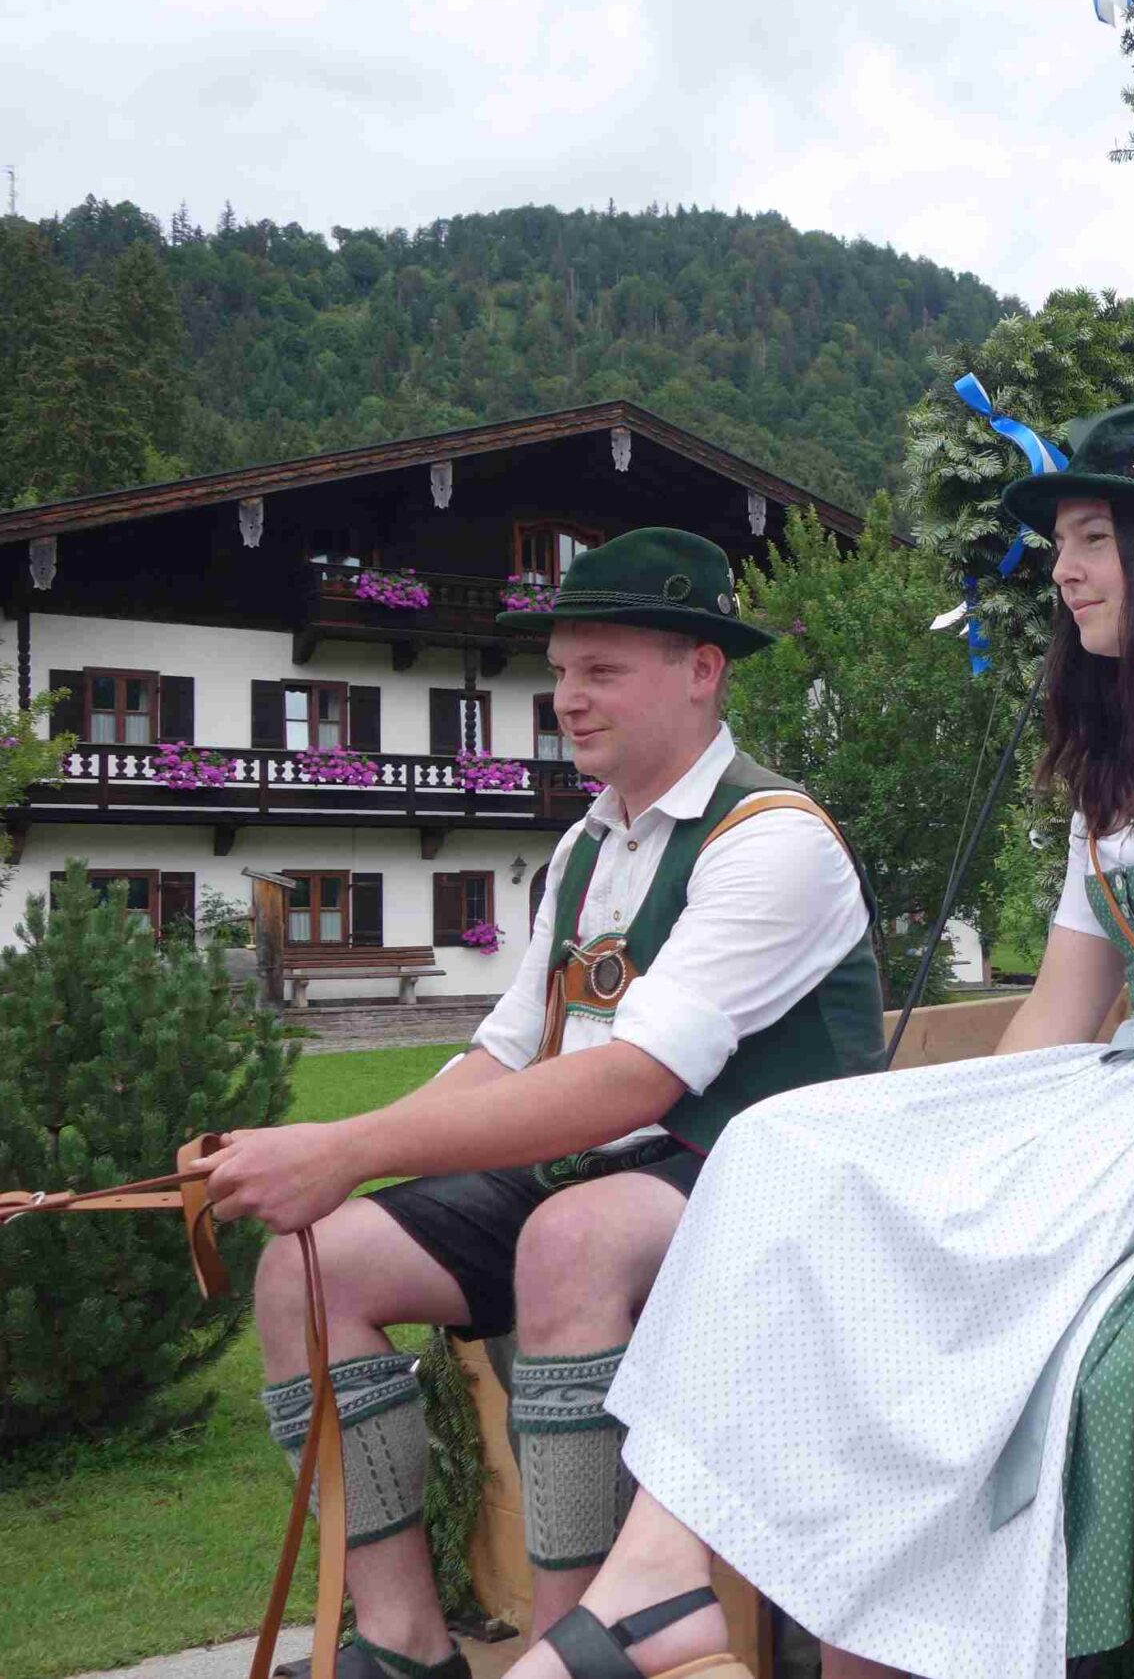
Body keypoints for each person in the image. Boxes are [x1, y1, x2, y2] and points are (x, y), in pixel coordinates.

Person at [505, 403, 1134, 1679]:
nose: (1064, 569)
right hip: (1126, 1098)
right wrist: (947, 1151)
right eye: (1062, 541)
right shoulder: (1120, 760)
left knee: (893, 1248)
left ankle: (701, 1603)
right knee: (783, 1146)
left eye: (1093, 537)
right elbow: (1057, 1014)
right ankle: (663, 1575)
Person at [193, 528, 884, 1679]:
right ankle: (405, 1642)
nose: (566, 697)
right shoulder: (585, 846)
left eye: (601, 669)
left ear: (702, 668)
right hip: (607, 1170)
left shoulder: (773, 839)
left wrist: (344, 1143)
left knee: (569, 1238)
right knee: (308, 1269)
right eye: (560, 669)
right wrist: (330, 1160)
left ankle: (570, 1641)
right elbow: (509, 1053)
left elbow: (633, 1078)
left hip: (771, 1177)